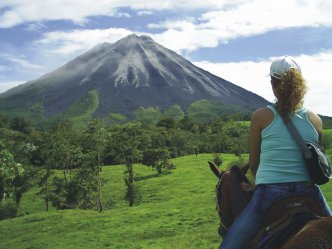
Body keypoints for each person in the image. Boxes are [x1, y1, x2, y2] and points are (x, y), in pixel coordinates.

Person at [219, 56, 332, 249]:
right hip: (309, 191)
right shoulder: (316, 120)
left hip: (270, 193)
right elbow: (316, 162)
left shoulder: (261, 116)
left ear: (273, 83)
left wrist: (261, 185)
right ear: (300, 83)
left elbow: (254, 164)